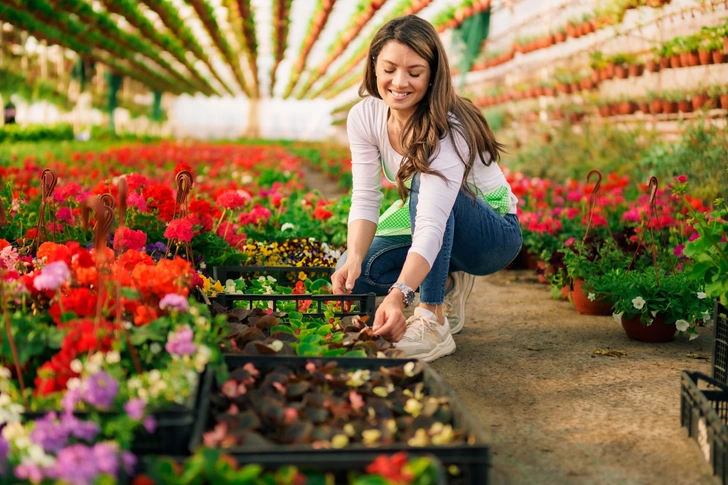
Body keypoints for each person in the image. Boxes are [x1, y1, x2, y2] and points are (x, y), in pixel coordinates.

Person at [331, 15, 522, 362]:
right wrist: (355, 257)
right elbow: (365, 196)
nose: (399, 82)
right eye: (389, 68)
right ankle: (446, 280)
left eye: (415, 72)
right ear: (374, 65)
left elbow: (433, 221)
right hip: (432, 218)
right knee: (357, 274)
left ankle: (432, 317)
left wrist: (401, 294)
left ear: (433, 74)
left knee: (425, 179)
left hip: (490, 235)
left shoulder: (448, 128)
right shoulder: (365, 116)